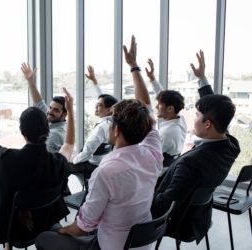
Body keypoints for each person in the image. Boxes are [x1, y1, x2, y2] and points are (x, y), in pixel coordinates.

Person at [35, 35, 163, 250]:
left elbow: (83, 227)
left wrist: (61, 230)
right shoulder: (152, 153)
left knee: (44, 239)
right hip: (142, 243)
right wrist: (133, 67)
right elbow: (147, 109)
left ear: (117, 130)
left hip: (109, 246)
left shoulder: (107, 172)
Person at [151, 50, 240, 243]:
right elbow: (219, 112)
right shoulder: (231, 146)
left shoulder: (192, 163)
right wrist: (202, 79)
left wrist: (140, 193)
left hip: (178, 222)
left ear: (208, 124)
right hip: (199, 217)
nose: (194, 118)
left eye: (198, 115)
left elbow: (162, 205)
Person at [0, 88, 75, 248]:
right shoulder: (57, 162)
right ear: (47, 130)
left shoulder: (8, 159)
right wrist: (71, 110)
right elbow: (69, 144)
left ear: (22, 131)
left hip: (14, 230)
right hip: (45, 221)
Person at [70, 66, 118, 179]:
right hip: (103, 163)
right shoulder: (114, 122)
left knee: (64, 165)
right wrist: (94, 82)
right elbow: (104, 99)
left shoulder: (101, 128)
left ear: (109, 109)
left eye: (99, 106)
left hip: (92, 166)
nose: (96, 107)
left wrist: (74, 160)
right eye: (96, 105)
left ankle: (65, 194)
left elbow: (87, 152)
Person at [145, 59, 187, 167]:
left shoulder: (167, 133)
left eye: (159, 105)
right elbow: (162, 94)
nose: (156, 107)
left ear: (170, 109)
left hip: (157, 175)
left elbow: (146, 157)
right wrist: (152, 78)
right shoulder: (179, 118)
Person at [21, 63, 66, 153]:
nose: (50, 112)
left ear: (64, 115)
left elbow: (41, 160)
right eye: (50, 107)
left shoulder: (54, 135)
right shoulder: (53, 118)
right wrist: (30, 81)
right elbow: (39, 102)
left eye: (56, 110)